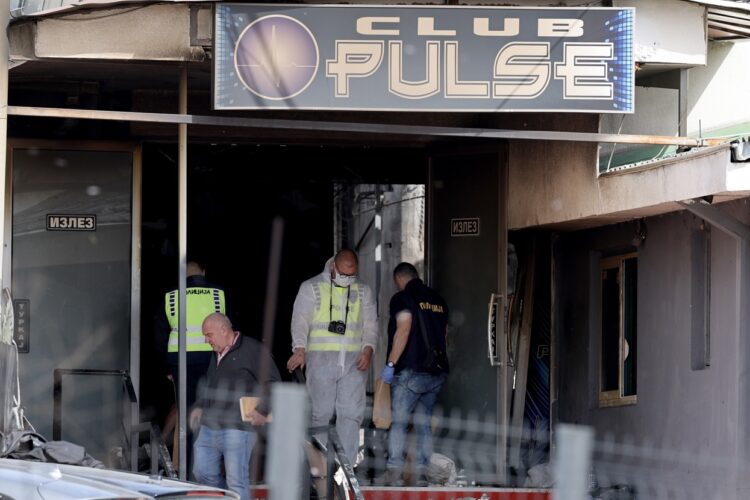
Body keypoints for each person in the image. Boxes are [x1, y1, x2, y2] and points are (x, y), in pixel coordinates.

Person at [286, 249, 378, 466]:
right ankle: (320, 469)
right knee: (320, 415)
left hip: (354, 363)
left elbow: (371, 325)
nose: (348, 279)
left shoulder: (363, 290)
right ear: (334, 267)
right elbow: (300, 321)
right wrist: (299, 349)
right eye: (345, 274)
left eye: (352, 275)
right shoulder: (312, 287)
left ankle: (346, 470)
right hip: (321, 362)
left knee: (351, 415)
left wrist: (368, 349)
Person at [190, 313, 281, 500]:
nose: (206, 340)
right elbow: (210, 383)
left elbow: (273, 383)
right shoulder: (216, 353)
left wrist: (262, 410)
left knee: (236, 480)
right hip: (209, 426)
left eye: (209, 334)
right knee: (201, 473)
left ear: (224, 330)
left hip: (238, 428)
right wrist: (200, 406)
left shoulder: (253, 350)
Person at [375, 262, 449, 487]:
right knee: (423, 421)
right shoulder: (438, 300)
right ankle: (422, 473)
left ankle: (394, 472)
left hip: (410, 372)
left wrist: (390, 364)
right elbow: (445, 337)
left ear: (399, 280)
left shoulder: (402, 298)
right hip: (436, 373)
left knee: (399, 422)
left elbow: (404, 329)